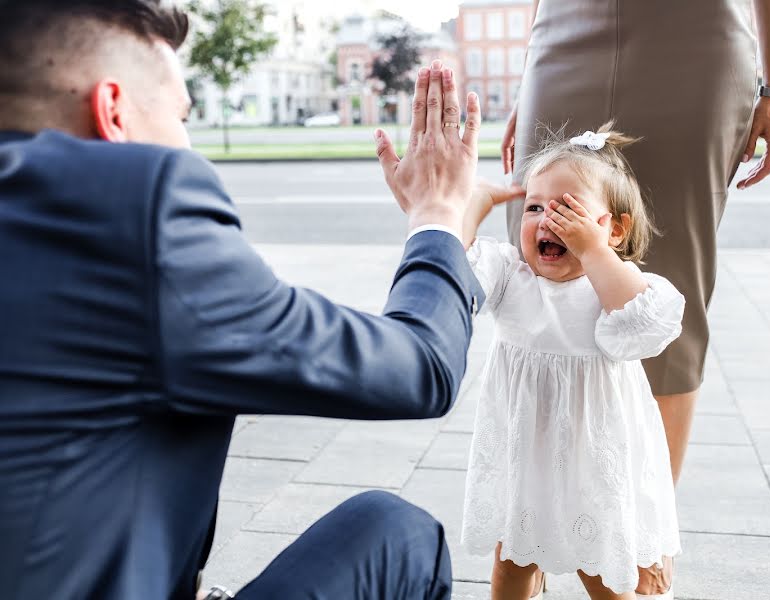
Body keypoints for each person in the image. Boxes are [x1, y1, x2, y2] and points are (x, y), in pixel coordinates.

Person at [0, 1, 505, 598]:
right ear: (114, 113)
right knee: (398, 533)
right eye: (181, 116)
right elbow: (422, 367)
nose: (188, 145)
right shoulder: (136, 206)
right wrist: (439, 217)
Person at [500, 1, 770, 594]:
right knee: (538, 275)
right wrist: (527, 72)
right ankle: (530, 528)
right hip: (561, 32)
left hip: (696, 36)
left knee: (668, 278)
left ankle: (638, 537)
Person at [460, 124, 685, 600]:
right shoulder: (509, 276)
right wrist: (468, 207)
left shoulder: (613, 287)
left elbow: (642, 329)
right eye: (535, 207)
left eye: (568, 210)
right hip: (526, 463)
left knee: (605, 576)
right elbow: (449, 270)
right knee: (510, 566)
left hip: (595, 470)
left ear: (615, 228)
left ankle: (642, 567)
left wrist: (595, 253)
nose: (548, 221)